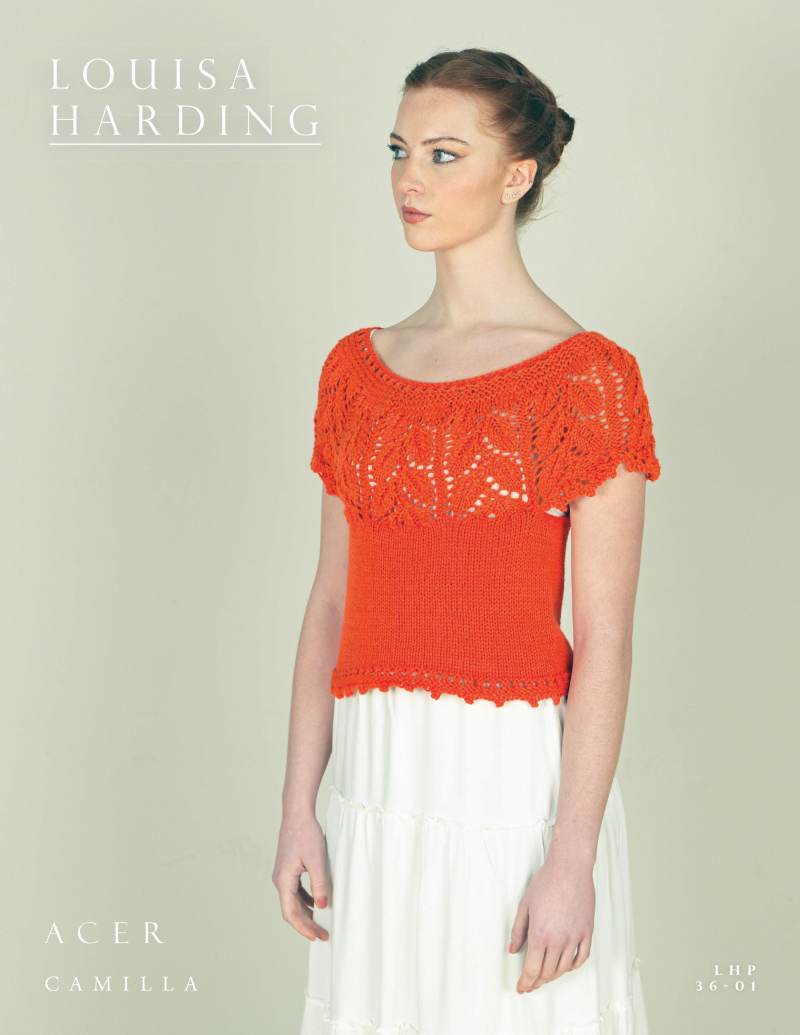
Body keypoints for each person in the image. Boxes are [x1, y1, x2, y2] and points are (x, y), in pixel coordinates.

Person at [274, 47, 661, 1035]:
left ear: (516, 175)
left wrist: (571, 853)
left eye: (444, 155)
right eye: (399, 150)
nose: (410, 178)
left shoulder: (588, 379)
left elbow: (604, 638)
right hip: (373, 774)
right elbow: (329, 603)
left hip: (510, 782)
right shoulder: (355, 370)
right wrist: (298, 805)